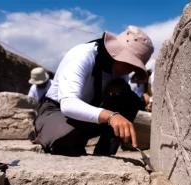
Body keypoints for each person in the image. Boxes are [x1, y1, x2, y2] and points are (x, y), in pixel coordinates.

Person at [34, 26, 154, 156]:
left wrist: (120, 87)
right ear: (118, 53)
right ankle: (47, 134)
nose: (130, 71)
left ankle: (104, 152)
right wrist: (111, 116)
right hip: (57, 110)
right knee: (68, 138)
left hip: (87, 114)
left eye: (134, 68)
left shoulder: (118, 70)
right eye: (130, 65)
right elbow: (68, 104)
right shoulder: (81, 56)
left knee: (131, 100)